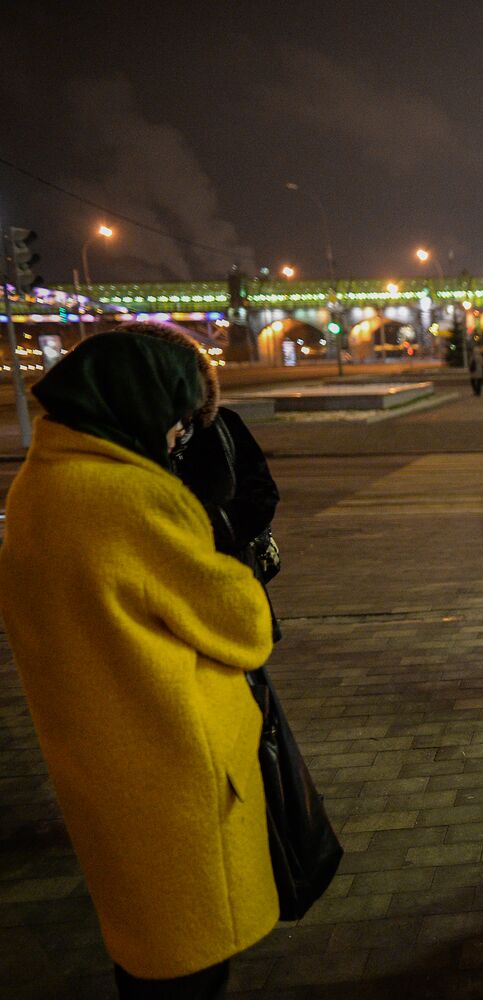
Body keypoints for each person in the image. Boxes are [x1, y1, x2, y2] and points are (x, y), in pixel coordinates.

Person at [0, 333, 276, 997]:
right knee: (189, 961)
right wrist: (210, 528)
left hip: (103, 759)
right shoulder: (133, 499)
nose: (181, 435)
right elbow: (243, 626)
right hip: (172, 762)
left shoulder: (41, 482)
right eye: (178, 418)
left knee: (147, 951)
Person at [116, 322, 283, 640]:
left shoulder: (222, 426)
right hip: (155, 613)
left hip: (229, 591)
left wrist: (214, 531)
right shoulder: (115, 444)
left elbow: (261, 493)